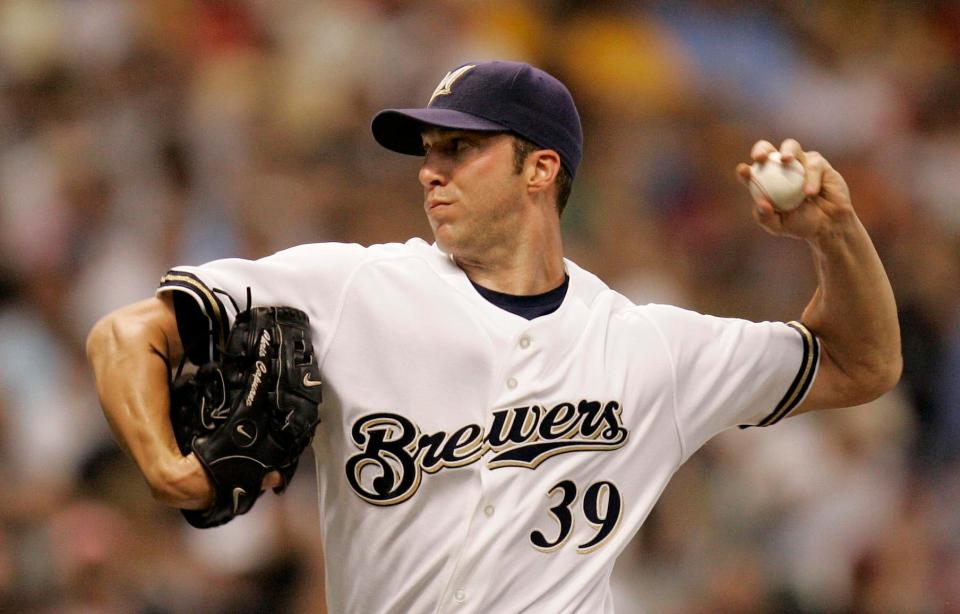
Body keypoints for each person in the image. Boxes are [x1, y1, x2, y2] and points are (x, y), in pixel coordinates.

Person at [86, 61, 901, 612]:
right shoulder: (353, 287)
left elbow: (862, 363)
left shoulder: (650, 346)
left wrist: (835, 232)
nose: (428, 168)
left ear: (539, 169)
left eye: (460, 147)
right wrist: (167, 469)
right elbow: (125, 334)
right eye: (428, 149)